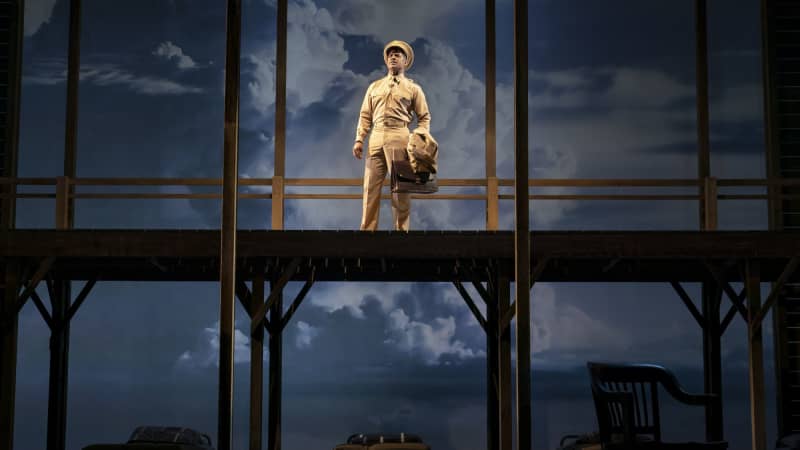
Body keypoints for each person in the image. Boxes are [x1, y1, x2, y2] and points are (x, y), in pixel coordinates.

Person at [353, 40, 431, 231]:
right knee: (370, 188)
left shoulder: (413, 89)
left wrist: (420, 139)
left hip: (400, 135)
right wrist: (359, 139)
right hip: (377, 135)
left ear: (406, 62)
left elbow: (424, 117)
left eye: (398, 54)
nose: (393, 56)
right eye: (390, 54)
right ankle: (367, 231)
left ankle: (401, 231)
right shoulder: (374, 87)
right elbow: (365, 115)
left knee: (401, 190)